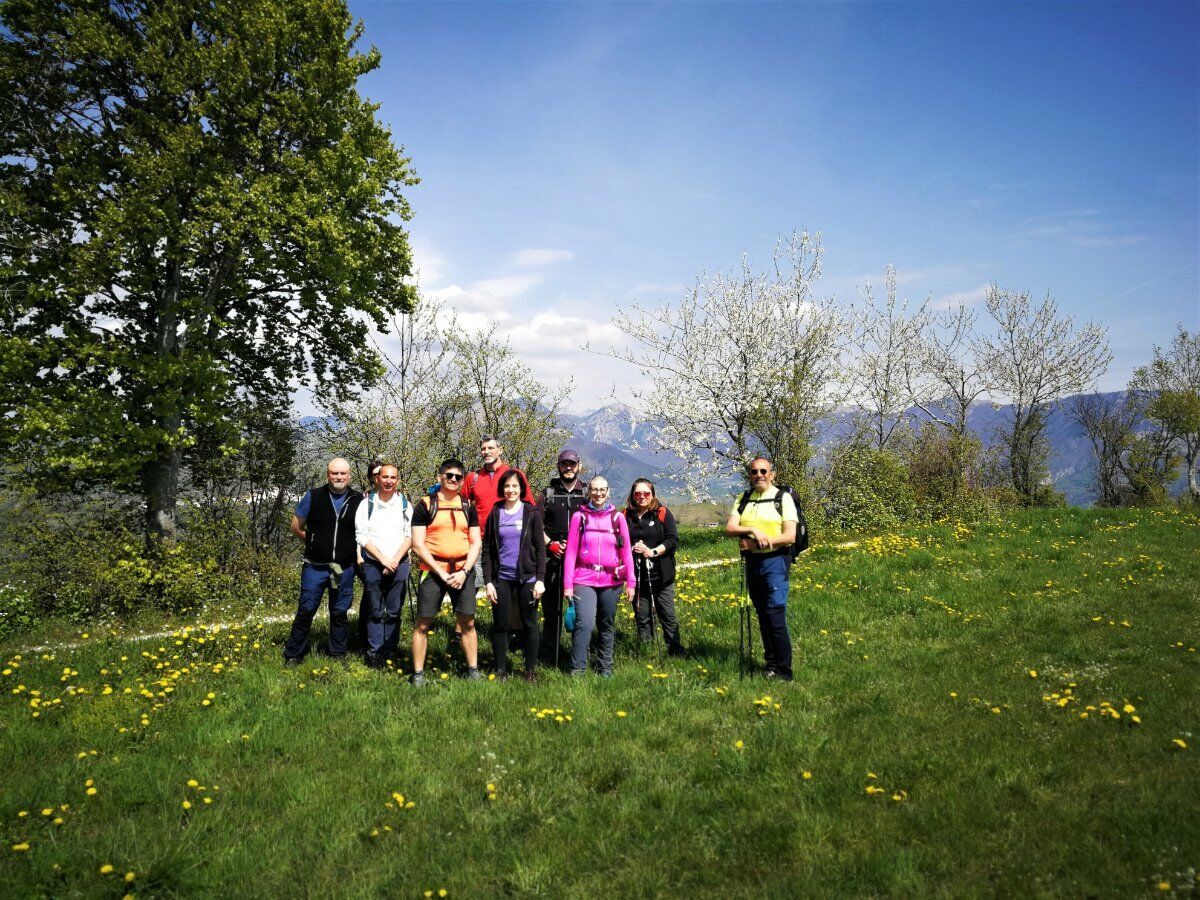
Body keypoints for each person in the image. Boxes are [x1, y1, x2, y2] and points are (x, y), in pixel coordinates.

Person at [284, 457, 363, 665]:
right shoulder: (313, 496)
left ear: (349, 476)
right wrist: (312, 542)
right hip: (315, 566)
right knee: (306, 609)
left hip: (343, 568)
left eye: (343, 473)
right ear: (328, 475)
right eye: (334, 473)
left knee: (339, 612)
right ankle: (293, 654)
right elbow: (296, 526)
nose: (339, 477)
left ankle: (337, 654)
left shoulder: (358, 500)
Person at [409, 458, 482, 684]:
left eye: (458, 477)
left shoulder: (468, 506)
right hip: (432, 571)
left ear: (462, 480)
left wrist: (464, 572)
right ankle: (418, 675)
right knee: (423, 623)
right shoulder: (425, 505)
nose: (453, 479)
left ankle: (473, 671)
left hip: (463, 570)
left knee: (468, 622)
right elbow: (418, 545)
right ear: (440, 477)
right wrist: (440, 573)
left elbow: (476, 543)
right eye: (449, 475)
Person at [725, 457, 797, 681]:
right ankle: (771, 664)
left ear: (772, 474)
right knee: (763, 614)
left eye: (763, 471)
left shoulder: (782, 498)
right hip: (753, 563)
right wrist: (753, 531)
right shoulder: (744, 498)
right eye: (754, 471)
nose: (759, 475)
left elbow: (790, 536)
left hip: (776, 561)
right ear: (750, 476)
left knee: (775, 613)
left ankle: (784, 671)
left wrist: (757, 544)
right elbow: (730, 528)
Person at [563, 476, 635, 677]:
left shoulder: (618, 518)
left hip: (611, 580)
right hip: (583, 578)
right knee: (584, 623)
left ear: (608, 491)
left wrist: (631, 582)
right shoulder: (579, 517)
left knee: (606, 624)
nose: (598, 493)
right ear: (589, 492)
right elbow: (571, 552)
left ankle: (605, 668)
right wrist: (567, 585)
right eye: (595, 489)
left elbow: (626, 551)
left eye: (602, 489)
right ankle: (578, 670)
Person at [481, 470, 546, 682]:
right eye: (507, 486)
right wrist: (488, 582)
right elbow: (487, 550)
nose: (511, 490)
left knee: (529, 624)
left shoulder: (531, 512)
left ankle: (530, 671)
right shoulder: (495, 512)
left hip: (528, 578)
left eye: (515, 486)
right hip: (502, 578)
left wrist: (540, 579)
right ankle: (501, 670)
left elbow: (540, 548)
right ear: (502, 488)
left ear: (521, 489)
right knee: (501, 624)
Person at [355, 463, 412, 669]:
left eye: (393, 478)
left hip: (399, 563)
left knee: (394, 610)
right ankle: (375, 652)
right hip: (374, 563)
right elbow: (362, 536)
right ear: (377, 479)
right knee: (375, 610)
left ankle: (390, 649)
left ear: (398, 480)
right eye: (385, 477)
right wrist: (383, 560)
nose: (389, 481)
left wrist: (394, 560)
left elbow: (410, 535)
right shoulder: (366, 504)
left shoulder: (405, 504)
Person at [624, 478, 686, 657]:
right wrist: (632, 548)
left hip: (662, 574)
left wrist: (653, 552)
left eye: (646, 493)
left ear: (652, 495)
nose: (642, 496)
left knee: (667, 614)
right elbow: (619, 541)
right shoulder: (625, 515)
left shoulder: (662, 513)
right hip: (638, 576)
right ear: (632, 495)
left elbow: (672, 539)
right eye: (638, 493)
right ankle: (646, 653)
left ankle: (675, 651)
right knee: (641, 615)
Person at [540, 449, 587, 663]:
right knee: (552, 612)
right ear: (558, 466)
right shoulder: (547, 494)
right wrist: (550, 544)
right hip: (553, 559)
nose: (568, 468)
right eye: (564, 464)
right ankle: (550, 657)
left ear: (579, 466)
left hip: (580, 562)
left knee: (582, 610)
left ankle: (579, 656)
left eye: (572, 464)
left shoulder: (587, 494)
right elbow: (536, 525)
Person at [356, 458, 385, 649]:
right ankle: (365, 636)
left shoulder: (397, 498)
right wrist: (359, 554)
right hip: (368, 555)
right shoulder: (364, 499)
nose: (379, 478)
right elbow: (359, 530)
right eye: (375, 474)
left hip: (391, 555)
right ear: (370, 477)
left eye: (381, 474)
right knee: (370, 595)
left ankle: (384, 637)